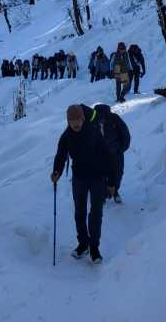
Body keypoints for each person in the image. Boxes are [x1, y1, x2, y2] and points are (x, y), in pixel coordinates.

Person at [51, 104, 111, 263]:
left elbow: (106, 154)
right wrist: (57, 171)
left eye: (78, 120)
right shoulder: (66, 136)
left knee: (96, 213)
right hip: (79, 177)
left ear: (83, 119)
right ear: (68, 121)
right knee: (80, 213)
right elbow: (60, 155)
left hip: (97, 176)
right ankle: (83, 244)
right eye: (72, 121)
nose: (75, 124)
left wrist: (110, 180)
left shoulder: (94, 131)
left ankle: (94, 248)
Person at [93, 103, 130, 203]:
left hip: (115, 153)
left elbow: (125, 134)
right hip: (99, 155)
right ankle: (103, 193)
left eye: (103, 117)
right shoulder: (92, 121)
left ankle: (115, 191)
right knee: (100, 175)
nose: (101, 120)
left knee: (117, 174)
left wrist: (120, 149)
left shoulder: (115, 119)